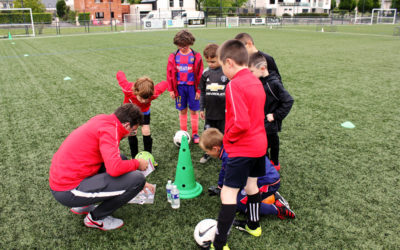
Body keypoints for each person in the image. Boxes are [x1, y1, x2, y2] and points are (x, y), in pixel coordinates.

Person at [49, 104, 155, 231]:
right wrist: (137, 164)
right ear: (126, 125)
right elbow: (114, 169)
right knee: (137, 179)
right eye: (133, 130)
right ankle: (95, 218)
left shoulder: (104, 120)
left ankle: (84, 205)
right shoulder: (111, 131)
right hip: (67, 190)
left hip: (66, 178)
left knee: (121, 159)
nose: (132, 133)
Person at [208, 40, 267, 250]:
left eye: (223, 65)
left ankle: (219, 244)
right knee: (252, 186)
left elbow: (241, 123)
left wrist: (228, 139)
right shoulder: (256, 81)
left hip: (242, 148)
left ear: (229, 62)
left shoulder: (234, 85)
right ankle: (254, 225)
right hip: (260, 146)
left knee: (228, 194)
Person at [199, 128, 295, 222]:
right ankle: (274, 196)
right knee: (236, 194)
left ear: (215, 149)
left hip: (268, 182)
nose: (207, 153)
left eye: (207, 151)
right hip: (264, 178)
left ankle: (279, 209)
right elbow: (224, 172)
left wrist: (226, 191)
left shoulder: (229, 156)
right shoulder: (227, 148)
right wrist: (220, 187)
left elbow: (233, 178)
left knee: (240, 202)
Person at [248, 52, 294, 171]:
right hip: (259, 121)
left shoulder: (274, 83)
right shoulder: (260, 80)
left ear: (262, 68)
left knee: (270, 143)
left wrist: (275, 115)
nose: (250, 75)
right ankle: (268, 163)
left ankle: (273, 164)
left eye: (252, 72)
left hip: (269, 123)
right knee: (265, 144)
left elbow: (288, 100)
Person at [116, 71, 168, 160]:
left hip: (144, 112)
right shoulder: (128, 89)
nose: (143, 101)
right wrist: (119, 73)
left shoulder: (154, 93)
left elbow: (164, 84)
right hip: (130, 111)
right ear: (136, 91)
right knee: (132, 132)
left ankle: (148, 157)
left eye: (146, 99)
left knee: (146, 130)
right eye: (141, 98)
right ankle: (134, 157)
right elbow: (121, 78)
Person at [166, 29, 204, 143]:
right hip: (179, 89)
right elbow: (169, 74)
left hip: (192, 88)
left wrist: (198, 90)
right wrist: (171, 89)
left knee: (194, 110)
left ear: (190, 43)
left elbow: (200, 74)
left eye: (185, 45)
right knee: (182, 110)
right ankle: (184, 133)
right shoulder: (173, 56)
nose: (183, 48)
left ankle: (195, 134)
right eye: (180, 46)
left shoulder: (196, 56)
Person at [199, 43, 229, 163]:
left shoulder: (226, 72)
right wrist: (201, 108)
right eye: (208, 61)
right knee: (208, 134)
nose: (210, 64)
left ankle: (225, 154)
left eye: (213, 61)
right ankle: (207, 153)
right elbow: (202, 92)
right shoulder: (205, 73)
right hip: (210, 113)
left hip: (223, 113)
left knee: (224, 135)